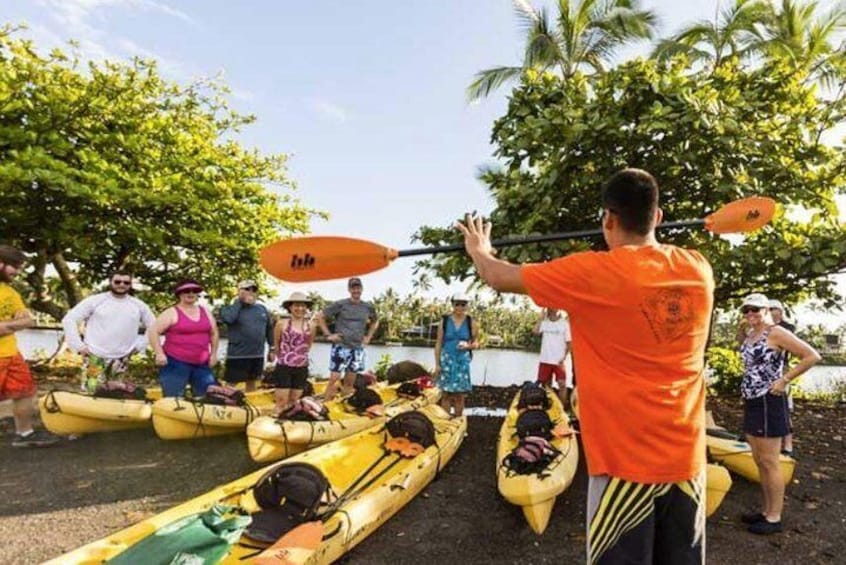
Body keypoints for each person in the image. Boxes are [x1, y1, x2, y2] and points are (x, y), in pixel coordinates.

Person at [458, 168, 713, 564]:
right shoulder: (699, 269)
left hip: (623, 465)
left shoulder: (591, 273)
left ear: (608, 220)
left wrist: (479, 247)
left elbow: (497, 275)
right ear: (658, 216)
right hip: (687, 461)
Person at [738, 293, 820, 535]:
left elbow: (812, 356)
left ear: (767, 309)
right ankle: (765, 511)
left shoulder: (776, 332)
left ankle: (774, 517)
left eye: (756, 309)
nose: (751, 314)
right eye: (746, 310)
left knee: (770, 461)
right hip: (752, 400)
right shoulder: (751, 334)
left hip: (769, 401)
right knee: (759, 460)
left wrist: (784, 381)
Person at [0, 245, 59, 447]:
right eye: (14, 267)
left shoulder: (10, 292)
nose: (16, 272)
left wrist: (6, 325)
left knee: (25, 392)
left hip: (11, 354)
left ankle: (24, 434)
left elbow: (28, 321)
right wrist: (12, 324)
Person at [61, 272, 155, 392]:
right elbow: (69, 319)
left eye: (126, 282)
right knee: (91, 391)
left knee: (116, 394)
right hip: (94, 357)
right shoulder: (96, 301)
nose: (121, 284)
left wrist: (140, 345)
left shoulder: (139, 305)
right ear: (110, 282)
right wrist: (79, 346)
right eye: (117, 281)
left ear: (130, 285)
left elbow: (154, 326)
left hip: (122, 358)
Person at [148, 279, 219, 397]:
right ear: (179, 294)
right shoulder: (171, 312)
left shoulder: (205, 311)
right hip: (175, 362)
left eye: (194, 291)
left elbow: (214, 333)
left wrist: (214, 354)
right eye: (186, 291)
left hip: (202, 363)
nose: (190, 293)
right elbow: (153, 331)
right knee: (173, 398)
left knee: (208, 397)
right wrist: (159, 353)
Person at [316, 277, 379, 400]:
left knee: (350, 381)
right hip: (341, 346)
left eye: (358, 288)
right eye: (353, 288)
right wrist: (328, 335)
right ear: (349, 289)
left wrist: (368, 336)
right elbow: (320, 316)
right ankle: (325, 404)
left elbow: (375, 321)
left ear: (361, 289)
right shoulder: (341, 304)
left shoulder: (367, 307)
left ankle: (344, 405)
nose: (356, 290)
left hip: (357, 348)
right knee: (334, 379)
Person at [219, 280, 274, 392]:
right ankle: (225, 405)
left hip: (257, 355)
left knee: (252, 381)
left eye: (253, 290)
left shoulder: (262, 309)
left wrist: (272, 348)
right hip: (237, 356)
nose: (250, 292)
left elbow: (269, 329)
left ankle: (250, 406)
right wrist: (239, 301)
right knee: (231, 383)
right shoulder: (229, 308)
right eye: (247, 289)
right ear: (239, 291)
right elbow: (229, 319)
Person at [433, 293, 480, 418]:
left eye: (463, 304)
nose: (460, 307)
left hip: (462, 362)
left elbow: (476, 343)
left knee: (460, 395)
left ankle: (458, 421)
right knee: (446, 394)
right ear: (452, 304)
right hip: (446, 359)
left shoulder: (471, 322)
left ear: (467, 306)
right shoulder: (445, 321)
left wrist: (468, 346)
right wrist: (437, 364)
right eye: (457, 304)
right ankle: (445, 420)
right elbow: (438, 343)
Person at [269, 291, 316, 415]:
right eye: (296, 305)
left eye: (303, 306)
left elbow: (308, 345)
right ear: (290, 307)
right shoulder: (281, 324)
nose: (300, 308)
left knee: (294, 401)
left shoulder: (311, 326)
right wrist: (283, 358)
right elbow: (276, 344)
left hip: (301, 368)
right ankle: (275, 421)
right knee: (281, 401)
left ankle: (289, 422)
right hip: (284, 366)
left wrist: (298, 358)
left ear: (306, 308)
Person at [769, 298, 797, 456]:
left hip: (781, 370)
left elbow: (786, 348)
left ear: (780, 311)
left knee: (784, 408)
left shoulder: (787, 328)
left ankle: (788, 445)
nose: (770, 311)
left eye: (773, 308)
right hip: (761, 372)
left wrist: (784, 379)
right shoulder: (759, 327)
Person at [532, 307, 572, 409]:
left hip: (558, 361)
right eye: (548, 308)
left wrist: (564, 357)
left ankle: (561, 408)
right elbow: (535, 332)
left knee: (562, 384)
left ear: (557, 309)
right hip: (545, 359)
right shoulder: (544, 323)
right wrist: (540, 318)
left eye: (552, 308)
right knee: (546, 386)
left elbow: (569, 343)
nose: (549, 310)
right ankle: (548, 407)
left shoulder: (564, 324)